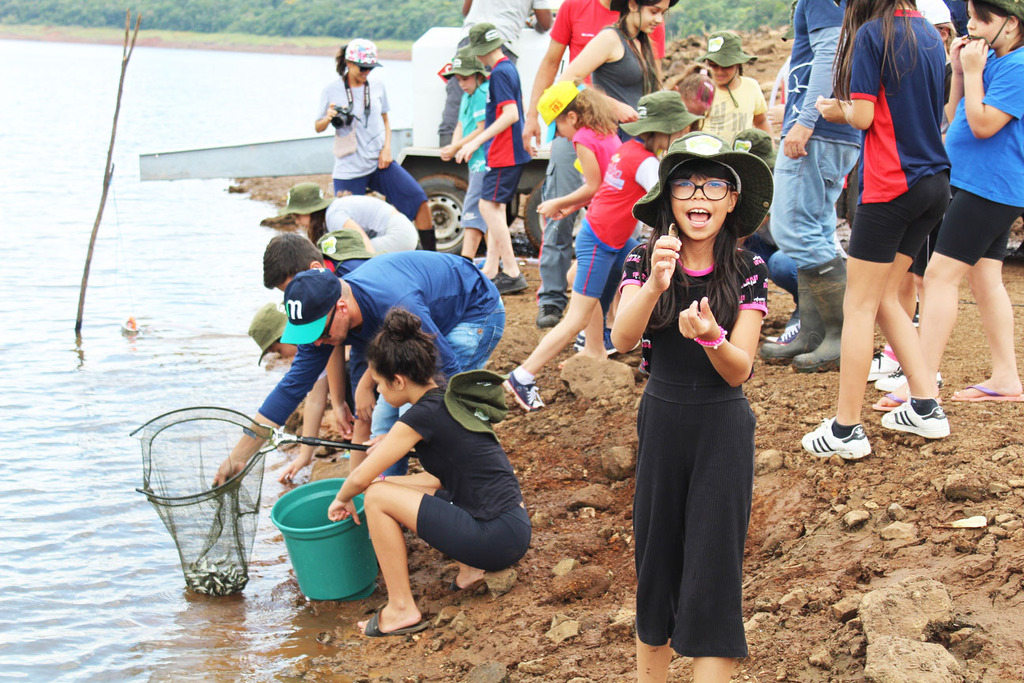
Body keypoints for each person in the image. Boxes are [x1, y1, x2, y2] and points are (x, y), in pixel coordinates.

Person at [609, 132, 772, 683]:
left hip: (723, 426)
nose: (698, 194)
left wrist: (710, 338)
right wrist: (656, 283)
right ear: (669, 198)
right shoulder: (642, 256)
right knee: (655, 562)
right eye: (685, 182)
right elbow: (623, 339)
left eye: (714, 184)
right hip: (661, 420)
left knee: (714, 567)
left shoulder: (750, 268)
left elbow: (740, 368)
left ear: (731, 201)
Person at [213, 250, 504, 486]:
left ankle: (479, 478)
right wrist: (238, 457)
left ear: (341, 309)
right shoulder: (324, 319)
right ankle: (386, 500)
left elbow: (445, 376)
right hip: (425, 322)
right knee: (383, 420)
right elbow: (290, 390)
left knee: (416, 413)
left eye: (320, 335)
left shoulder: (397, 305)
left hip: (474, 310)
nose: (317, 345)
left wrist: (398, 437)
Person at [326, 309, 530, 637]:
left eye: (378, 384)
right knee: (387, 485)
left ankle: (401, 609)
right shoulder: (446, 400)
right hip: (511, 529)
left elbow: (361, 478)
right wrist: (387, 473)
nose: (378, 392)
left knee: (375, 495)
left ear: (398, 381)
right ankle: (471, 571)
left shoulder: (421, 416)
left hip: (495, 537)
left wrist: (342, 498)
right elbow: (442, 478)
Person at [807, 0, 951, 459]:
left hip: (891, 184)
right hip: (933, 183)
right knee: (888, 296)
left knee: (860, 303)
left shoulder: (874, 34)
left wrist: (837, 110)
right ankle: (926, 405)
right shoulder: (928, 30)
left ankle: (846, 428)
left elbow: (865, 117)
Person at [504, 92, 700, 411]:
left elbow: (609, 193)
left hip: (614, 238)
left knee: (616, 289)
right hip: (600, 240)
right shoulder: (647, 162)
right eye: (678, 130)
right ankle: (522, 376)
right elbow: (667, 203)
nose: (681, 135)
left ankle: (595, 350)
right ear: (664, 131)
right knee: (576, 317)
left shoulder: (629, 149)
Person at [523, 0, 668, 330]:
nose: (659, 19)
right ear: (633, 5)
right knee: (565, 218)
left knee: (616, 231)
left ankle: (604, 320)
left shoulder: (645, 38)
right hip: (594, 137)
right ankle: (554, 300)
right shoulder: (608, 35)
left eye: (663, 13)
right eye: (655, 11)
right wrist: (611, 104)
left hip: (627, 146)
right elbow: (567, 77)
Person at [916, 0, 1024, 404]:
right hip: (975, 182)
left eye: (982, 19)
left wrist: (975, 71)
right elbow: (956, 111)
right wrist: (961, 73)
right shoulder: (997, 60)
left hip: (990, 187)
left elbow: (982, 125)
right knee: (985, 280)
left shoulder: (1018, 67)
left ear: (1012, 24)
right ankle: (1006, 377)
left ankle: (921, 382)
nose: (971, 27)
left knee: (939, 276)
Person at [758, 0, 861, 372]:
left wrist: (804, 119)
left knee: (794, 231)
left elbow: (831, 51)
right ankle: (814, 333)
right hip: (836, 132)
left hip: (817, 131)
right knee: (814, 229)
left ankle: (840, 336)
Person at [315, 39, 437, 250]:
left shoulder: (378, 86)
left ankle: (433, 257)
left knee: (419, 201)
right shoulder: (331, 90)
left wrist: (387, 148)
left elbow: (386, 120)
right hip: (349, 169)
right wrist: (328, 118)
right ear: (349, 63)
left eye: (370, 68)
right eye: (363, 68)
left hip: (379, 162)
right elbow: (318, 126)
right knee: (351, 231)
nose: (366, 72)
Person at [456, 23, 532, 294]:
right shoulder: (508, 68)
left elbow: (510, 114)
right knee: (495, 208)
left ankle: (511, 271)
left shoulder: (499, 73)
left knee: (488, 207)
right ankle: (491, 267)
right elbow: (518, 108)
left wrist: (477, 140)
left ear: (479, 52)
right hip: (509, 150)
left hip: (504, 152)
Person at [438, 0, 554, 146]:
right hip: (500, 39)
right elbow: (545, 23)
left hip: (470, 37)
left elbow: (466, 10)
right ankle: (489, 150)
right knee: (495, 102)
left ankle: (447, 147)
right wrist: (530, 20)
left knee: (459, 94)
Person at [732, 128, 801, 343]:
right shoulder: (740, 184)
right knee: (745, 253)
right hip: (771, 245)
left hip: (799, 251)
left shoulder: (779, 181)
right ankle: (747, 307)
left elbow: (753, 224)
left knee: (780, 264)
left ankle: (809, 309)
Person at [439, 49, 492, 260]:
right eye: (459, 79)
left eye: (466, 78)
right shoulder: (468, 95)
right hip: (475, 160)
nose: (462, 83)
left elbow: (482, 128)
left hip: (483, 160)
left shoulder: (480, 93)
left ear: (479, 75)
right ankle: (495, 261)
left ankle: (465, 259)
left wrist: (456, 147)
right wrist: (453, 146)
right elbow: (461, 123)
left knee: (473, 206)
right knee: (487, 210)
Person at [277, 182, 419, 255]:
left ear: (310, 210)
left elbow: (362, 242)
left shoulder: (334, 216)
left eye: (298, 215)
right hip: (401, 229)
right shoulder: (332, 211)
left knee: (347, 256)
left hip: (399, 234)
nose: (296, 221)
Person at [696, 31, 774, 142]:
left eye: (726, 66)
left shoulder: (751, 87)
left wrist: (770, 149)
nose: (719, 71)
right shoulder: (701, 89)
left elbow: (761, 121)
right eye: (714, 66)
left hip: (740, 155)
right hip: (707, 156)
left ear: (737, 63)